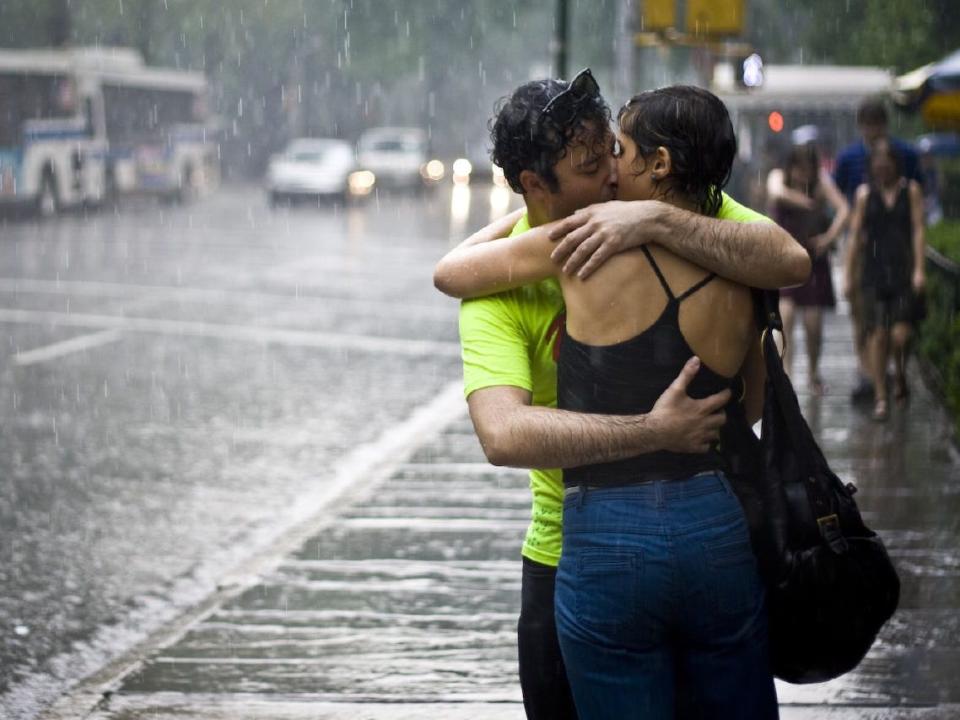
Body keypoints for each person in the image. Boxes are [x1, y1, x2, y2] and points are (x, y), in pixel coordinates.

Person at [436, 77, 806, 719]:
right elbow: (503, 435)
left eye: (614, 150)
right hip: (607, 545)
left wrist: (655, 217)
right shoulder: (514, 279)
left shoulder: (670, 217)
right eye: (590, 165)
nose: (612, 174)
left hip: (609, 546)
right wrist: (653, 430)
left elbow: (788, 258)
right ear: (534, 184)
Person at [834, 99, 922, 403]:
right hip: (862, 244)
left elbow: (918, 203)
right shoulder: (849, 158)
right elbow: (842, 200)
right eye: (867, 124)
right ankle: (867, 371)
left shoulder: (905, 155)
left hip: (896, 248)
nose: (872, 131)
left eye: (876, 124)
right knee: (864, 316)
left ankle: (888, 369)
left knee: (899, 322)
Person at [767, 143, 849, 393]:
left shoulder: (821, 182)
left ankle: (813, 371)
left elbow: (844, 209)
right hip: (785, 259)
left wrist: (829, 238)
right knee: (785, 317)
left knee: (814, 323)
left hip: (812, 258)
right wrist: (804, 201)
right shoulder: (778, 176)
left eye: (807, 169)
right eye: (798, 169)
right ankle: (787, 372)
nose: (803, 175)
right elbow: (776, 191)